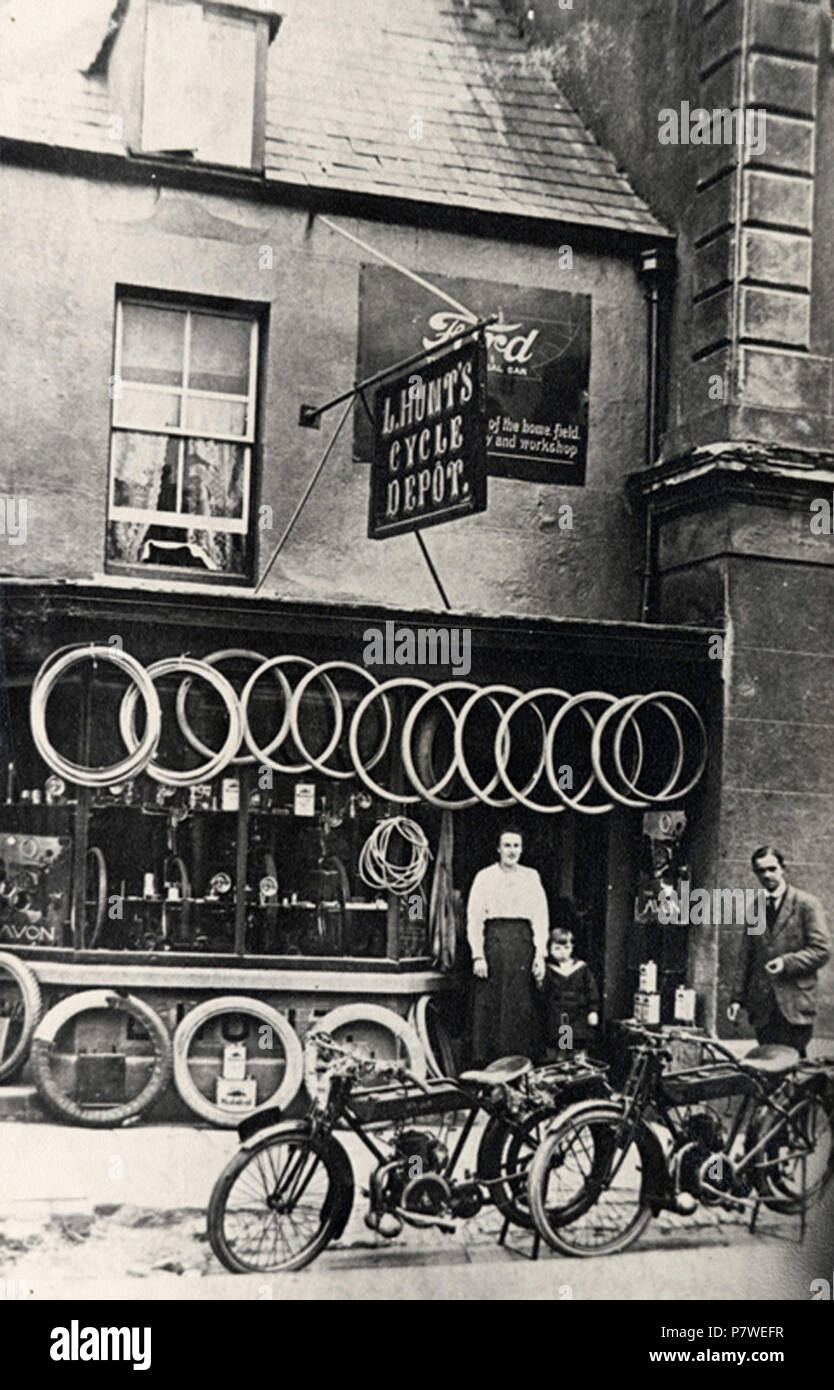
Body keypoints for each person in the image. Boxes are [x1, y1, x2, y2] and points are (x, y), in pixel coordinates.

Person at [728, 845, 830, 1057]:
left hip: (795, 1005)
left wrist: (786, 963)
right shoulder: (756, 908)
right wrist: (737, 999)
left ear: (783, 869)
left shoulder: (806, 904)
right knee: (767, 1063)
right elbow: (746, 956)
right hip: (763, 1007)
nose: (767, 875)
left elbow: (821, 950)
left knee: (792, 1064)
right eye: (760, 871)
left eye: (772, 869)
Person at [467, 827, 548, 1065]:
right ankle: (488, 1062)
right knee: (491, 1003)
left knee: (520, 1004)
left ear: (522, 849)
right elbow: (474, 918)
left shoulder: (531, 876)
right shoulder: (485, 876)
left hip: (522, 944)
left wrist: (540, 954)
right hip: (494, 942)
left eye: (516, 846)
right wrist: (477, 955)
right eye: (507, 846)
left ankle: (518, 1061)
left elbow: (540, 916)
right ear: (498, 849)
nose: (512, 851)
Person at [541, 927, 600, 1059]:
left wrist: (593, 1010)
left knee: (578, 1050)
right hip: (558, 1017)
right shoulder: (548, 970)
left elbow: (591, 990)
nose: (562, 952)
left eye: (566, 948)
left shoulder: (581, 968)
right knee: (560, 1050)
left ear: (572, 947)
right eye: (557, 948)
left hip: (578, 1015)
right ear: (549, 949)